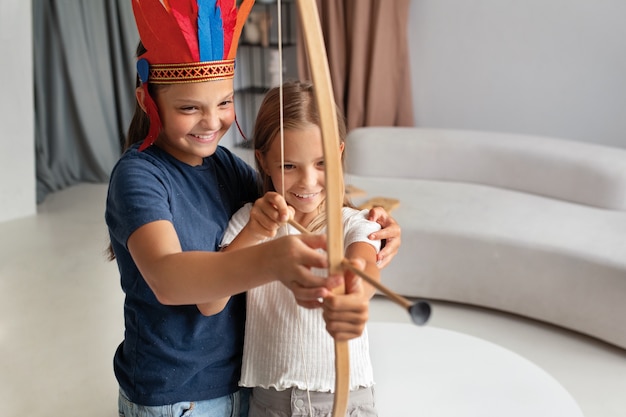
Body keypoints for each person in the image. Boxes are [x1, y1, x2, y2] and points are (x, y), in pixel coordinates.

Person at [106, 2, 401, 417]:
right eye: (189, 108)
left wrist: (371, 223)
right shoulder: (138, 175)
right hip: (173, 394)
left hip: (242, 385)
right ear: (146, 100)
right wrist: (272, 257)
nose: (211, 122)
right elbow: (169, 279)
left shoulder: (223, 165)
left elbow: (299, 203)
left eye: (224, 102)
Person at [198, 81, 382, 416]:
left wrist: (354, 295)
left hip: (347, 397)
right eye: (288, 165)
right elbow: (210, 302)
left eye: (321, 163)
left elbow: (364, 267)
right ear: (264, 162)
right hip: (272, 400)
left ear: (339, 153)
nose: (308, 181)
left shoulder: (355, 222)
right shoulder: (248, 221)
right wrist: (256, 232)